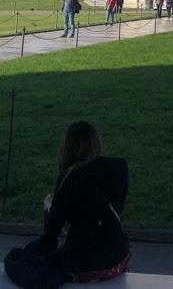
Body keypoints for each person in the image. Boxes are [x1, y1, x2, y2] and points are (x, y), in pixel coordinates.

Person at [4, 121, 131, 287]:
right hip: (118, 253)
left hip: (84, 262)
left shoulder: (69, 178)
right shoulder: (119, 167)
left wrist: (48, 208)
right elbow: (114, 210)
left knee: (18, 259)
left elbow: (51, 235)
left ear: (69, 148)